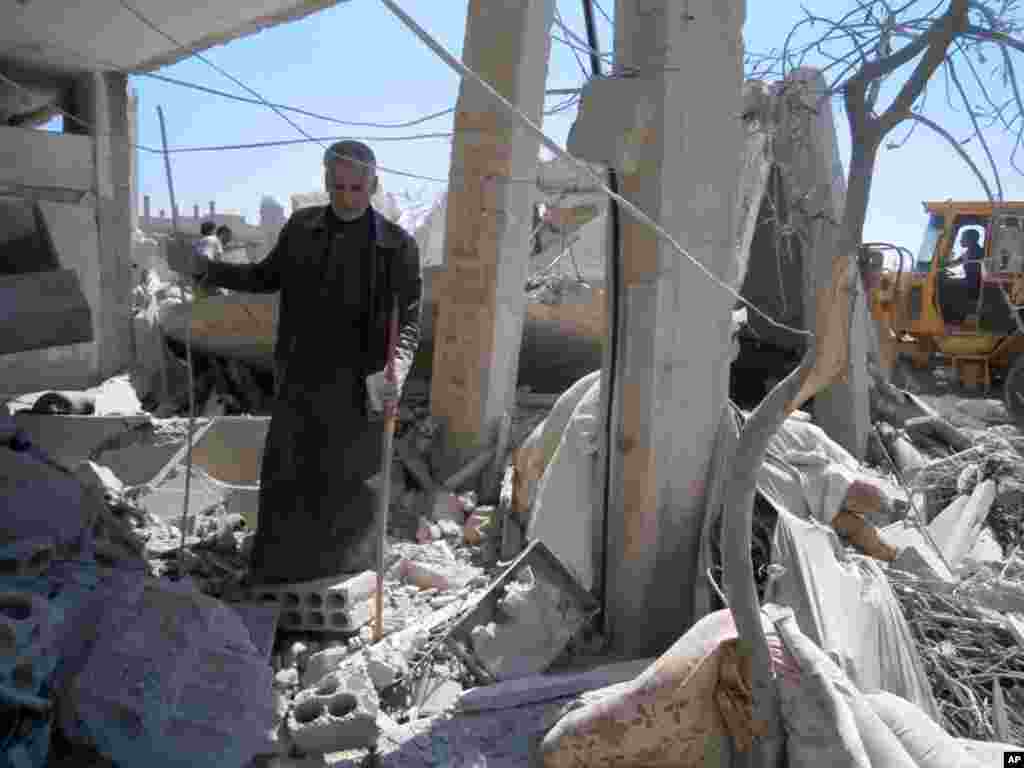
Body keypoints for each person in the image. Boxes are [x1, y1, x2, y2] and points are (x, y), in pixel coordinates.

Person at [170, 141, 423, 584]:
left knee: (349, 486)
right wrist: (212, 271)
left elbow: (410, 321)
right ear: (325, 182)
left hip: (358, 390)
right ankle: (279, 574)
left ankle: (345, 578)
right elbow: (265, 276)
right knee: (290, 479)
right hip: (299, 380)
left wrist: (396, 368)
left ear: (374, 185)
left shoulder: (397, 246)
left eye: (357, 188)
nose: (346, 197)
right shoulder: (302, 228)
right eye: (337, 186)